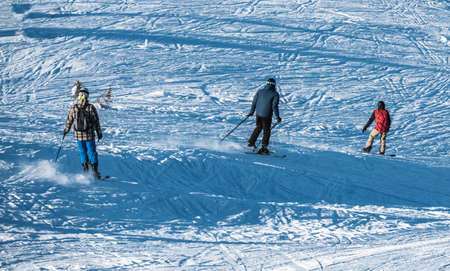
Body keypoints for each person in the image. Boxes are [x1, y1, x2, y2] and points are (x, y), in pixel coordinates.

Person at [64, 87, 103, 179]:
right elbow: (96, 121)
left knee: (82, 151)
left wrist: (66, 130)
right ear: (87, 96)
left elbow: (69, 120)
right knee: (92, 151)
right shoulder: (90, 107)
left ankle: (85, 171)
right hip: (89, 134)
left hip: (78, 135)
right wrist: (99, 132)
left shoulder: (74, 108)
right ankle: (95, 172)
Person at [247, 78, 282, 154]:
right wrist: (277, 117)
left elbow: (254, 102)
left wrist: (251, 112)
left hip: (258, 114)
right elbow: (274, 106)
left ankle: (251, 142)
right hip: (267, 115)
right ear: (274, 85)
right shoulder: (275, 94)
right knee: (267, 130)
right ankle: (264, 147)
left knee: (258, 127)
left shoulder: (260, 91)